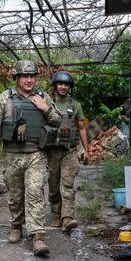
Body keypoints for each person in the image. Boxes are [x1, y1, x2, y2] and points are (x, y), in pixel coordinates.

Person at [0, 60, 62, 256]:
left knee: (35, 192)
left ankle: (38, 237)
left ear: (36, 78)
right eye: (25, 76)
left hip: (36, 154)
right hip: (12, 156)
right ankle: (17, 225)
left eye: (32, 76)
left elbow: (58, 121)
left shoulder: (43, 96)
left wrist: (46, 109)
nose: (29, 80)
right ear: (17, 78)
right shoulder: (6, 98)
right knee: (16, 196)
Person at [47, 71, 90, 232]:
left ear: (69, 87)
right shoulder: (48, 103)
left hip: (70, 151)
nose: (63, 87)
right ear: (55, 86)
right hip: (52, 152)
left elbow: (81, 129)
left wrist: (86, 151)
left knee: (68, 184)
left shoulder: (75, 105)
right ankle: (56, 215)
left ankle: (67, 218)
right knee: (53, 186)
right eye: (60, 84)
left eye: (66, 84)